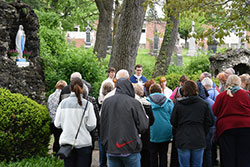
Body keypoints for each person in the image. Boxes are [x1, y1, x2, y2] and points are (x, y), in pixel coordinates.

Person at [100, 78, 149, 167]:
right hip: (130, 146)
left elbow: (102, 124)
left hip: (112, 147)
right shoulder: (134, 103)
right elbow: (143, 126)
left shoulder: (107, 102)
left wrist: (105, 143)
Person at [170, 80, 214, 167]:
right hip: (199, 137)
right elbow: (209, 122)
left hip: (183, 137)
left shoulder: (179, 105)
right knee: (197, 164)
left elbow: (173, 121)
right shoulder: (204, 104)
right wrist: (203, 131)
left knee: (184, 165)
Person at [54, 78, 96, 167]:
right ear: (82, 88)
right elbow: (91, 126)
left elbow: (57, 124)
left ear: (70, 88)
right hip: (84, 143)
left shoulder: (63, 104)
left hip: (67, 143)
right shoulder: (88, 105)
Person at [212, 75, 250, 167]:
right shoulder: (247, 94)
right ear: (239, 82)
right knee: (244, 155)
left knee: (227, 156)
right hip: (246, 126)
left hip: (226, 128)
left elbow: (215, 111)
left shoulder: (221, 96)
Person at [146, 84, 174, 167]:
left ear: (150, 91)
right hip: (165, 132)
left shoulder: (146, 102)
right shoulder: (169, 102)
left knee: (152, 155)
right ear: (161, 91)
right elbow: (172, 117)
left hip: (152, 132)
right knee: (164, 154)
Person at [133, 83, 155, 167]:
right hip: (146, 134)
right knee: (146, 157)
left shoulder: (132, 104)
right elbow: (152, 120)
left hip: (135, 135)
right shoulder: (147, 104)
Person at [47, 80, 67, 154]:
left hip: (51, 120)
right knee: (60, 139)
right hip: (59, 121)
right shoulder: (62, 96)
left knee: (56, 138)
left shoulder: (51, 96)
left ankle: (55, 154)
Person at [98, 82, 114, 167]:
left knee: (102, 148)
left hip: (101, 127)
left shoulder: (100, 100)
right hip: (110, 126)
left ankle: (102, 164)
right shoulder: (112, 100)